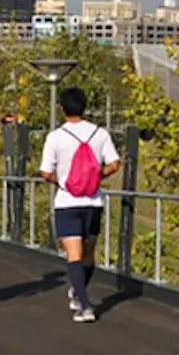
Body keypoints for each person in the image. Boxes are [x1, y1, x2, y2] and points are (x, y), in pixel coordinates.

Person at [40, 86, 120, 323]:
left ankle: (84, 305)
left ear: (62, 108)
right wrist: (96, 178)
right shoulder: (100, 134)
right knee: (88, 253)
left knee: (73, 254)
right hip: (93, 202)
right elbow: (115, 163)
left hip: (67, 202)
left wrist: (63, 183)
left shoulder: (55, 137)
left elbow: (45, 172)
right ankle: (79, 292)